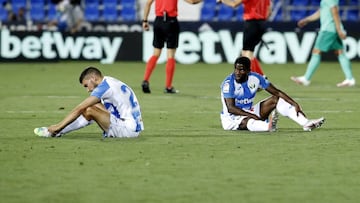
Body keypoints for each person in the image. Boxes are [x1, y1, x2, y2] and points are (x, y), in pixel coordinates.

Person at [220, 56, 325, 132]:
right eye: (236, 69)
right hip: (232, 118)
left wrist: (294, 103)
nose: (237, 72)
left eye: (241, 69)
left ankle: (306, 123)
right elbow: (231, 108)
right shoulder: (229, 84)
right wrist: (252, 116)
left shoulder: (256, 78)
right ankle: (268, 126)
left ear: (248, 70)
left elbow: (277, 92)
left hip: (249, 111)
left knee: (276, 99)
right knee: (249, 121)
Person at [34, 67, 144, 138]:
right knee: (92, 106)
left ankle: (55, 131)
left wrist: (58, 125)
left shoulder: (104, 88)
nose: (88, 89)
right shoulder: (109, 81)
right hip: (131, 126)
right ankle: (57, 132)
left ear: (93, 78)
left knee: (89, 109)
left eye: (86, 85)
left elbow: (79, 109)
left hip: (128, 130)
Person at [141, 0, 202, 94]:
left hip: (158, 21)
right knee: (170, 55)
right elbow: (192, 2)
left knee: (156, 53)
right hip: (171, 21)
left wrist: (145, 20)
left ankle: (145, 80)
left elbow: (148, 3)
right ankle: (168, 86)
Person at [291, 0, 355, 87]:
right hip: (333, 29)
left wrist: (339, 29)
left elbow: (335, 12)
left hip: (328, 30)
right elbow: (321, 12)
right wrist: (307, 20)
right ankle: (350, 79)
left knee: (316, 51)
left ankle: (306, 79)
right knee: (340, 52)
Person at [217, 0, 272, 76]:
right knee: (249, 52)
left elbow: (234, 4)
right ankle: (261, 76)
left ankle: (253, 78)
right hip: (262, 23)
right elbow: (269, 12)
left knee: (247, 53)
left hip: (251, 23)